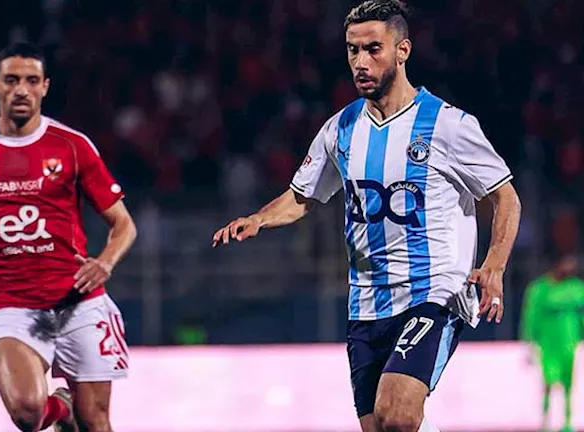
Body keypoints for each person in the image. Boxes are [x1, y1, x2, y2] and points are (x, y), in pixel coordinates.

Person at [212, 1, 522, 431]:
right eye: (352, 50)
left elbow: (506, 197)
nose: (360, 62)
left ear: (402, 50)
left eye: (373, 49)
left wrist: (494, 265)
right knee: (380, 426)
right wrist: (259, 218)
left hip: (432, 292)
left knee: (398, 413)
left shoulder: (447, 125)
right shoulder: (340, 128)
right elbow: (302, 196)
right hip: (366, 302)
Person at [0, 42, 137, 432]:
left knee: (96, 423)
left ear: (45, 87)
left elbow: (123, 224)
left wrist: (105, 262)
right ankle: (62, 409)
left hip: (79, 302)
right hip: (13, 305)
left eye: (31, 80)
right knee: (27, 412)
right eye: (11, 80)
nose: (21, 89)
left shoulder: (72, 145)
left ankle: (75, 414)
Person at [521, 254, 584, 432]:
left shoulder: (576, 287)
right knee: (548, 381)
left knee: (569, 382)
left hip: (569, 340)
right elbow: (531, 315)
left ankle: (568, 422)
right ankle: (545, 421)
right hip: (548, 342)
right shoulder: (540, 289)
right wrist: (529, 339)